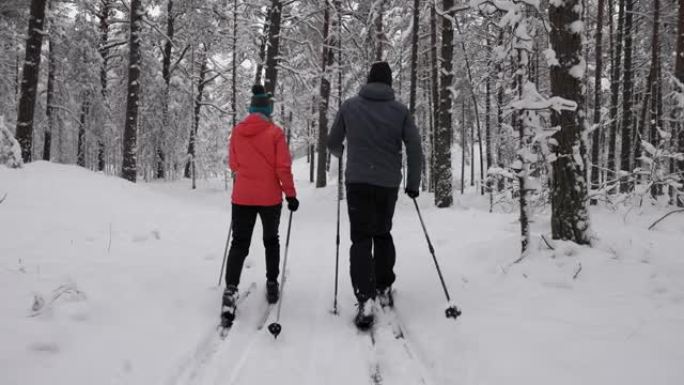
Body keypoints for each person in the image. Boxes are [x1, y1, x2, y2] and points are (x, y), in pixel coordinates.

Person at [327, 61, 422, 329]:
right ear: (389, 82)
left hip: (357, 182)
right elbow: (414, 148)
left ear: (368, 80)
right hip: (386, 184)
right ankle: (383, 287)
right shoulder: (400, 111)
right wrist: (413, 183)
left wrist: (342, 152)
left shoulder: (350, 106)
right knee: (382, 234)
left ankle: (364, 299)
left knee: (360, 238)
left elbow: (333, 142)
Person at [221, 85, 299, 325]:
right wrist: (291, 195)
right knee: (271, 240)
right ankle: (272, 283)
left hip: (242, 197)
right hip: (269, 198)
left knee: (239, 243)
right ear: (267, 110)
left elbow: (233, 164)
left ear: (251, 109)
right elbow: (282, 167)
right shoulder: (275, 133)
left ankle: (230, 290)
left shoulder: (237, 132)